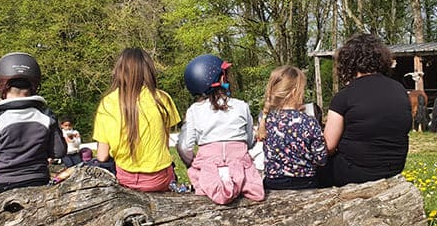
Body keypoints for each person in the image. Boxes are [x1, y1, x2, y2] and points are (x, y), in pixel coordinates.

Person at [320, 33, 412, 187]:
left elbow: (328, 147)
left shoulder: (344, 96)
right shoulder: (399, 89)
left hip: (355, 172)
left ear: (349, 61)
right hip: (394, 168)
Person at [0, 52, 67, 194]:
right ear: (35, 84)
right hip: (38, 179)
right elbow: (59, 151)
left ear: (0, 84)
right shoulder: (45, 115)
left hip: (5, 183)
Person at [176, 54, 264, 204]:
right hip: (240, 171)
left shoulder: (194, 111)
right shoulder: (241, 106)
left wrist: (193, 162)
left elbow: (184, 147)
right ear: (222, 79)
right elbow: (249, 141)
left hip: (209, 172)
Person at [92, 48, 181, 192]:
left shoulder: (107, 103)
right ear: (148, 70)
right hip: (160, 179)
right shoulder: (162, 99)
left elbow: (102, 156)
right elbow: (163, 143)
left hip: (125, 180)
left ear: (119, 71)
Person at [256, 66, 327, 190]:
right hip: (305, 182)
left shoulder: (264, 119)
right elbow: (321, 159)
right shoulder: (309, 121)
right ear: (295, 92)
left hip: (273, 183)